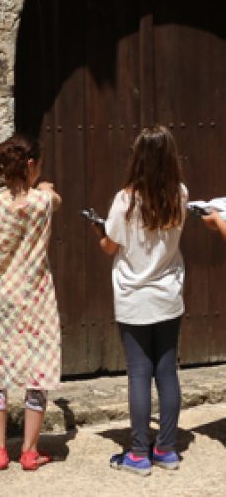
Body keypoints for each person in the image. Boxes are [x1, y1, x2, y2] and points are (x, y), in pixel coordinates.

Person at [94, 125, 187, 476]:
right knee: (167, 373)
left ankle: (137, 453)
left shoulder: (125, 200)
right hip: (168, 296)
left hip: (134, 298)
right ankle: (166, 448)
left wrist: (99, 232)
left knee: (139, 374)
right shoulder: (180, 193)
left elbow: (110, 246)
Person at [0, 134, 62, 472]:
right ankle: (29, 450)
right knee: (37, 369)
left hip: (0, 297)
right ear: (30, 165)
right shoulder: (43, 201)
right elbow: (56, 199)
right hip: (36, 295)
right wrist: (43, 187)